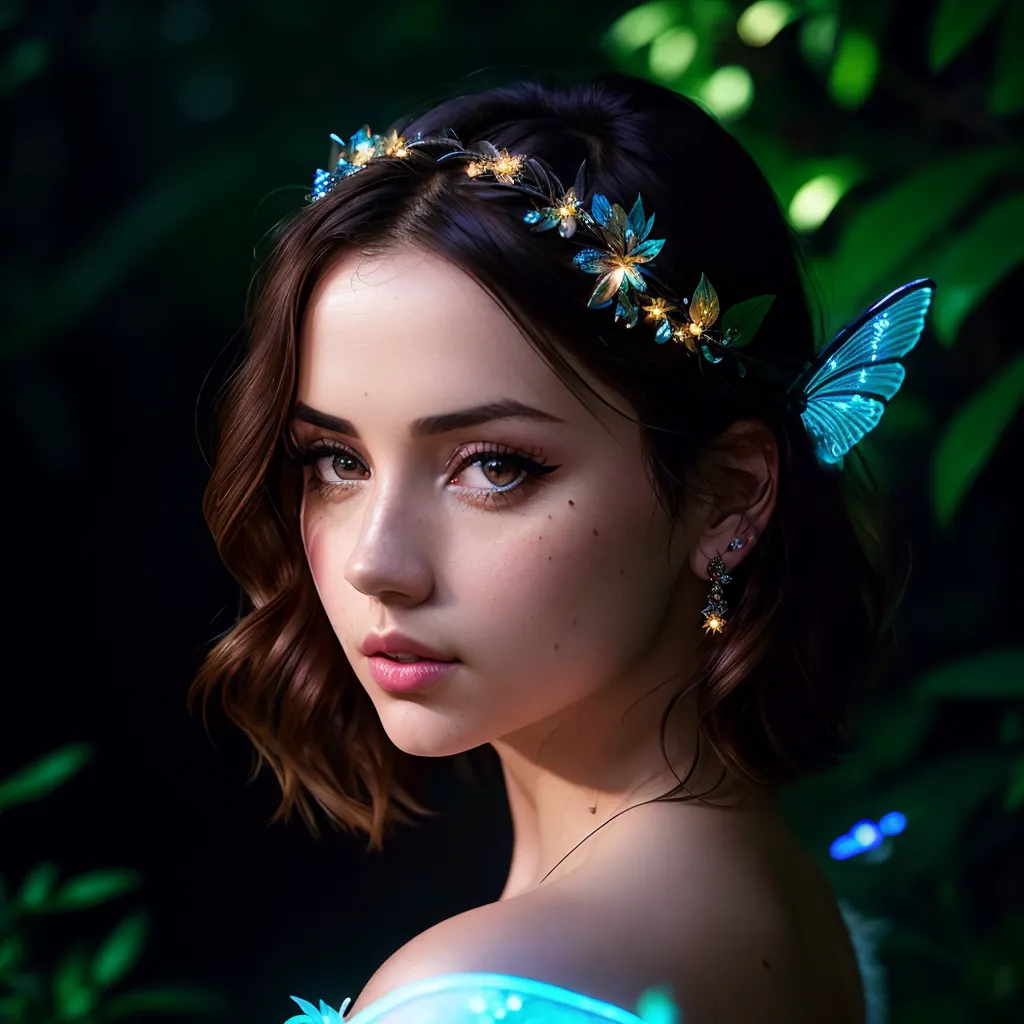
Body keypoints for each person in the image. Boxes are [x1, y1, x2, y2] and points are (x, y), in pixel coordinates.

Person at [191, 70, 933, 1023]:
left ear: (727, 497)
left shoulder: (487, 995)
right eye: (335, 460)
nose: (376, 561)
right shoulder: (784, 901)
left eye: (493, 466)